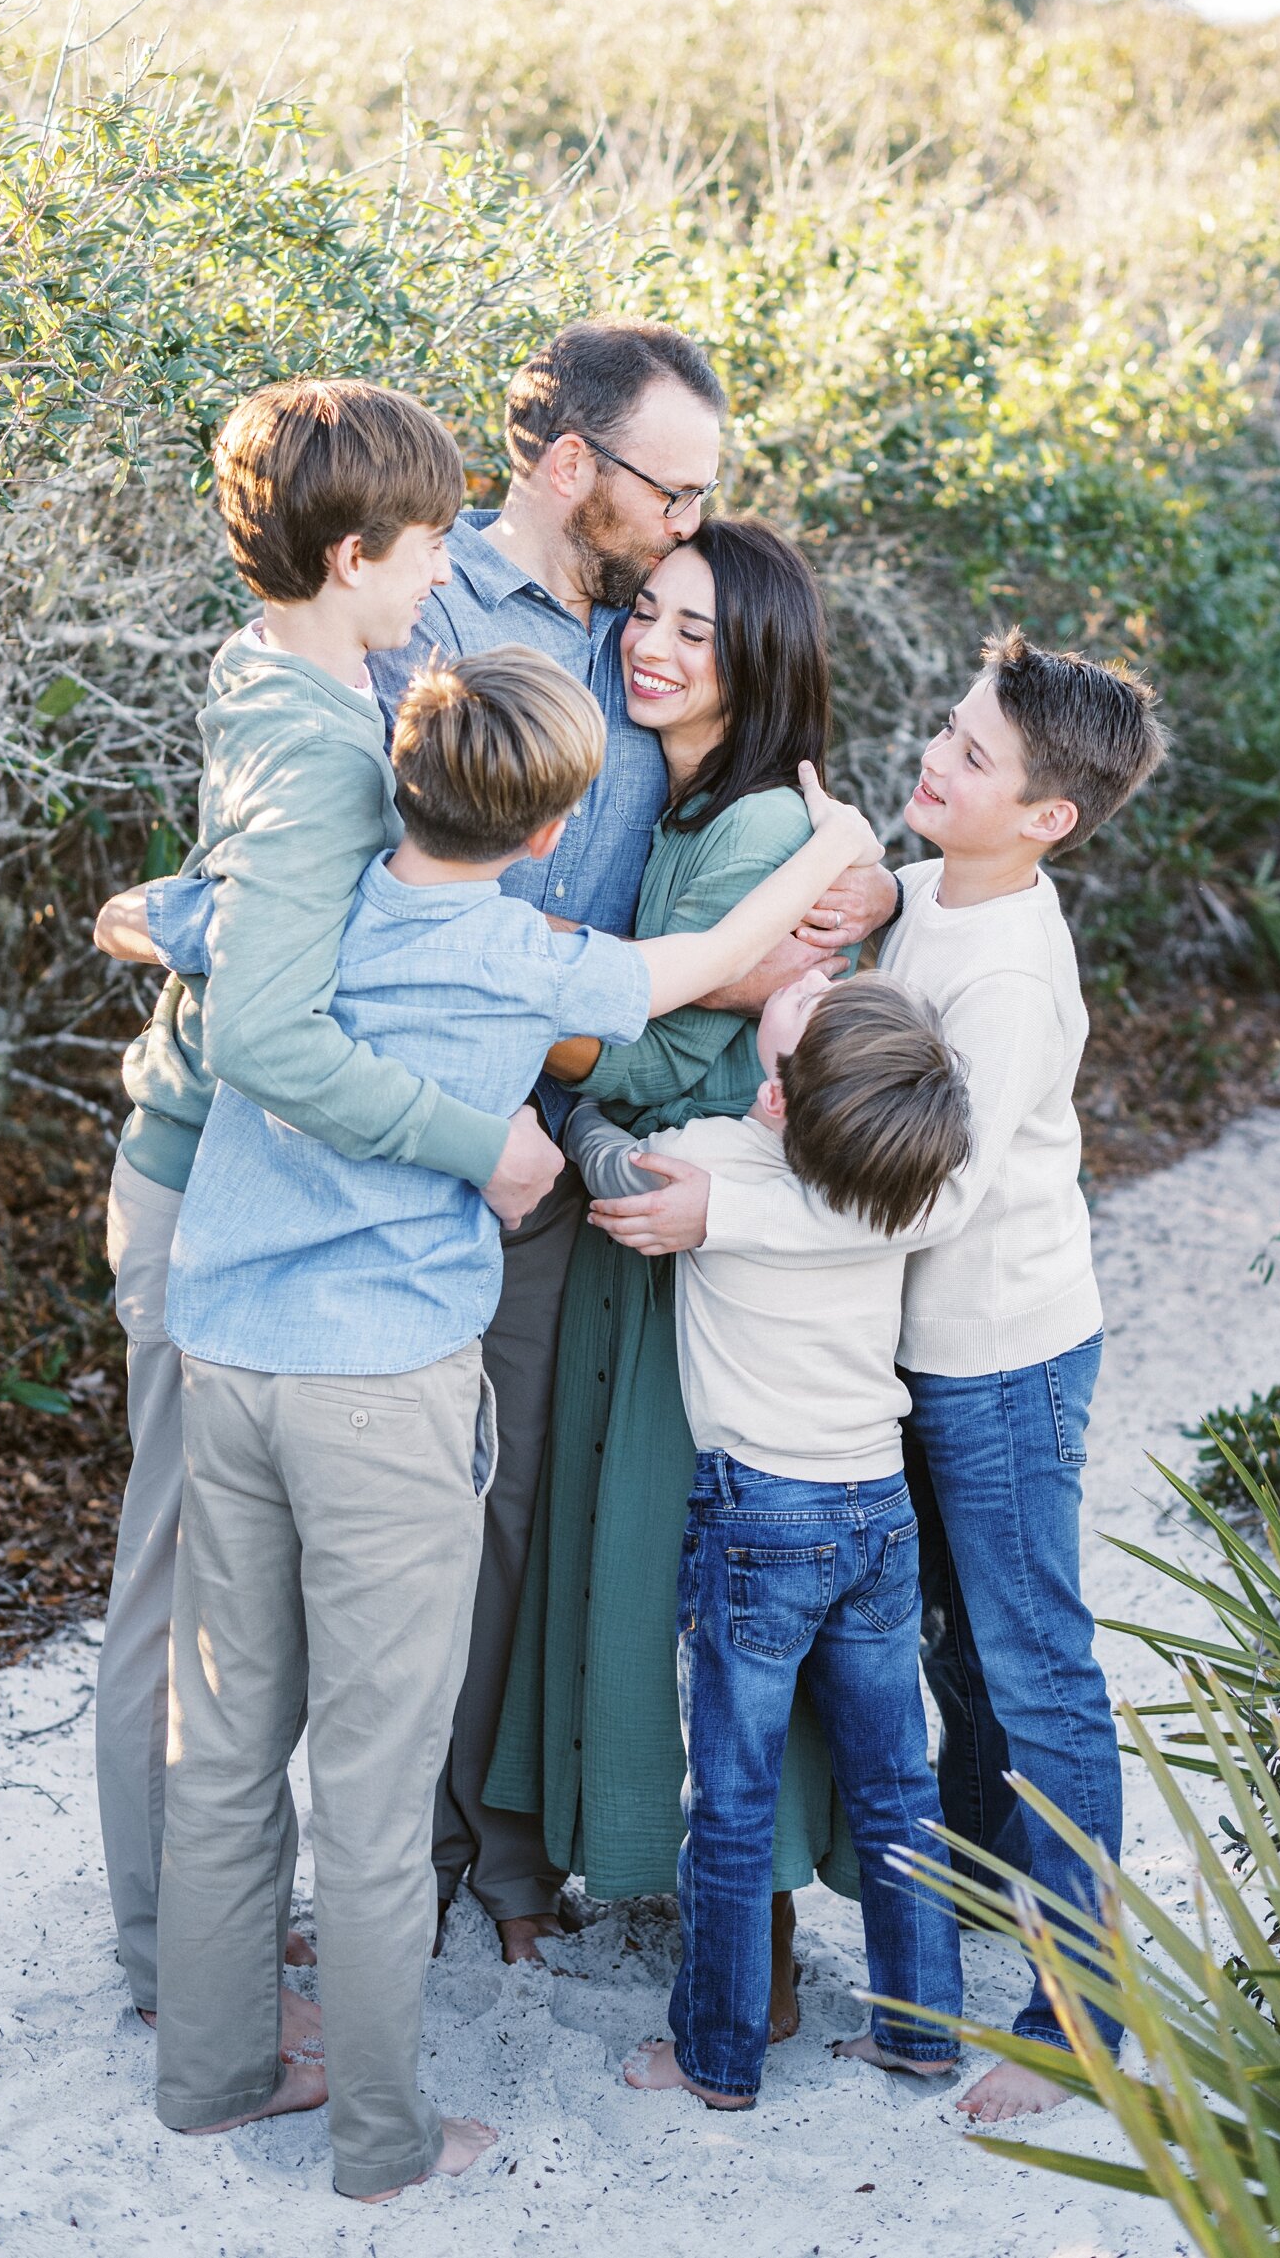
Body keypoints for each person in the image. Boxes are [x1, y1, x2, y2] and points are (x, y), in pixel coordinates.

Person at [131, 648, 883, 2198]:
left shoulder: (302, 895)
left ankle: (211, 2074)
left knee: (223, 1739)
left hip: (228, 1352)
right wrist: (833, 839)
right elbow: (720, 957)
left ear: (396, 779)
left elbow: (158, 913)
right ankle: (385, 2139)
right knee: (376, 1762)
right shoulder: (530, 957)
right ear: (548, 835)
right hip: (378, 1384)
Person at [363, 323, 899, 1966]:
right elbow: (385, 899)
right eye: (671, 496)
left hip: (593, 1164)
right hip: (430, 1133)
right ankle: (401, 1880)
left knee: (545, 1519)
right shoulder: (432, 617)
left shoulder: (629, 630)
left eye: (701, 526)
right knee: (412, 1524)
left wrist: (855, 882)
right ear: (573, 464)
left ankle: (531, 1866)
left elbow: (769, 807)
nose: (683, 536)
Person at [594, 628, 1168, 2125]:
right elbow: (901, 912)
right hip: (915, 1360)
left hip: (1001, 1358)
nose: (937, 754)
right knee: (956, 1664)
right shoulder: (939, 897)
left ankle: (1082, 2019)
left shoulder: (1011, 987)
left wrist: (723, 1207)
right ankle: (969, 1932)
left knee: (1032, 1667)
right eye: (952, 725)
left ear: (1047, 818)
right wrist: (861, 886)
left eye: (973, 757)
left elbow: (921, 1199)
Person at [91, 379, 556, 2037]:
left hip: (234, 1194)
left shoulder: (295, 669)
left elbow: (257, 914)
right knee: (180, 1607)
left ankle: (197, 1950)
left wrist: (183, 916)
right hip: (212, 1188)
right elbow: (287, 1031)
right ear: (356, 550)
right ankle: (175, 1967)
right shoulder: (317, 728)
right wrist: (477, 1146)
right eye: (429, 548)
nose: (445, 577)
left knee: (201, 1605)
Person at [484, 517, 873, 2031]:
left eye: (693, 629)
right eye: (645, 612)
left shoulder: (768, 830)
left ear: (761, 654)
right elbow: (623, 1055)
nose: (649, 644)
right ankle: (629, 1879)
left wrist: (509, 978)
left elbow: (655, 1046)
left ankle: (755, 1965)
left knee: (687, 1582)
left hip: (686, 1267)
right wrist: (583, 1106)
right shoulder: (676, 799)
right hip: (623, 1223)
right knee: (619, 1559)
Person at [566, 969, 972, 2107]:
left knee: (734, 1800)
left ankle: (719, 2055)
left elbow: (612, 1164)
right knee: (896, 1787)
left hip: (759, 1515)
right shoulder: (912, 1182)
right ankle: (923, 2033)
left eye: (792, 1016)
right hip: (875, 1511)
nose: (807, 982)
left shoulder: (715, 1156)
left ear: (782, 1098)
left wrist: (575, 1114)